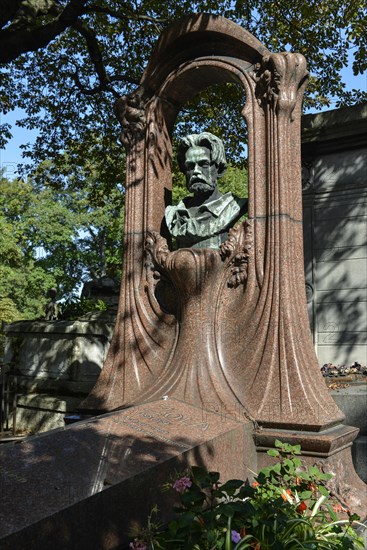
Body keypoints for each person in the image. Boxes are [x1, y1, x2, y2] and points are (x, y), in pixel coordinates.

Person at [165, 132, 247, 249]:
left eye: (204, 164)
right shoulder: (173, 214)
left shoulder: (235, 206)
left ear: (219, 170)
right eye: (190, 166)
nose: (196, 171)